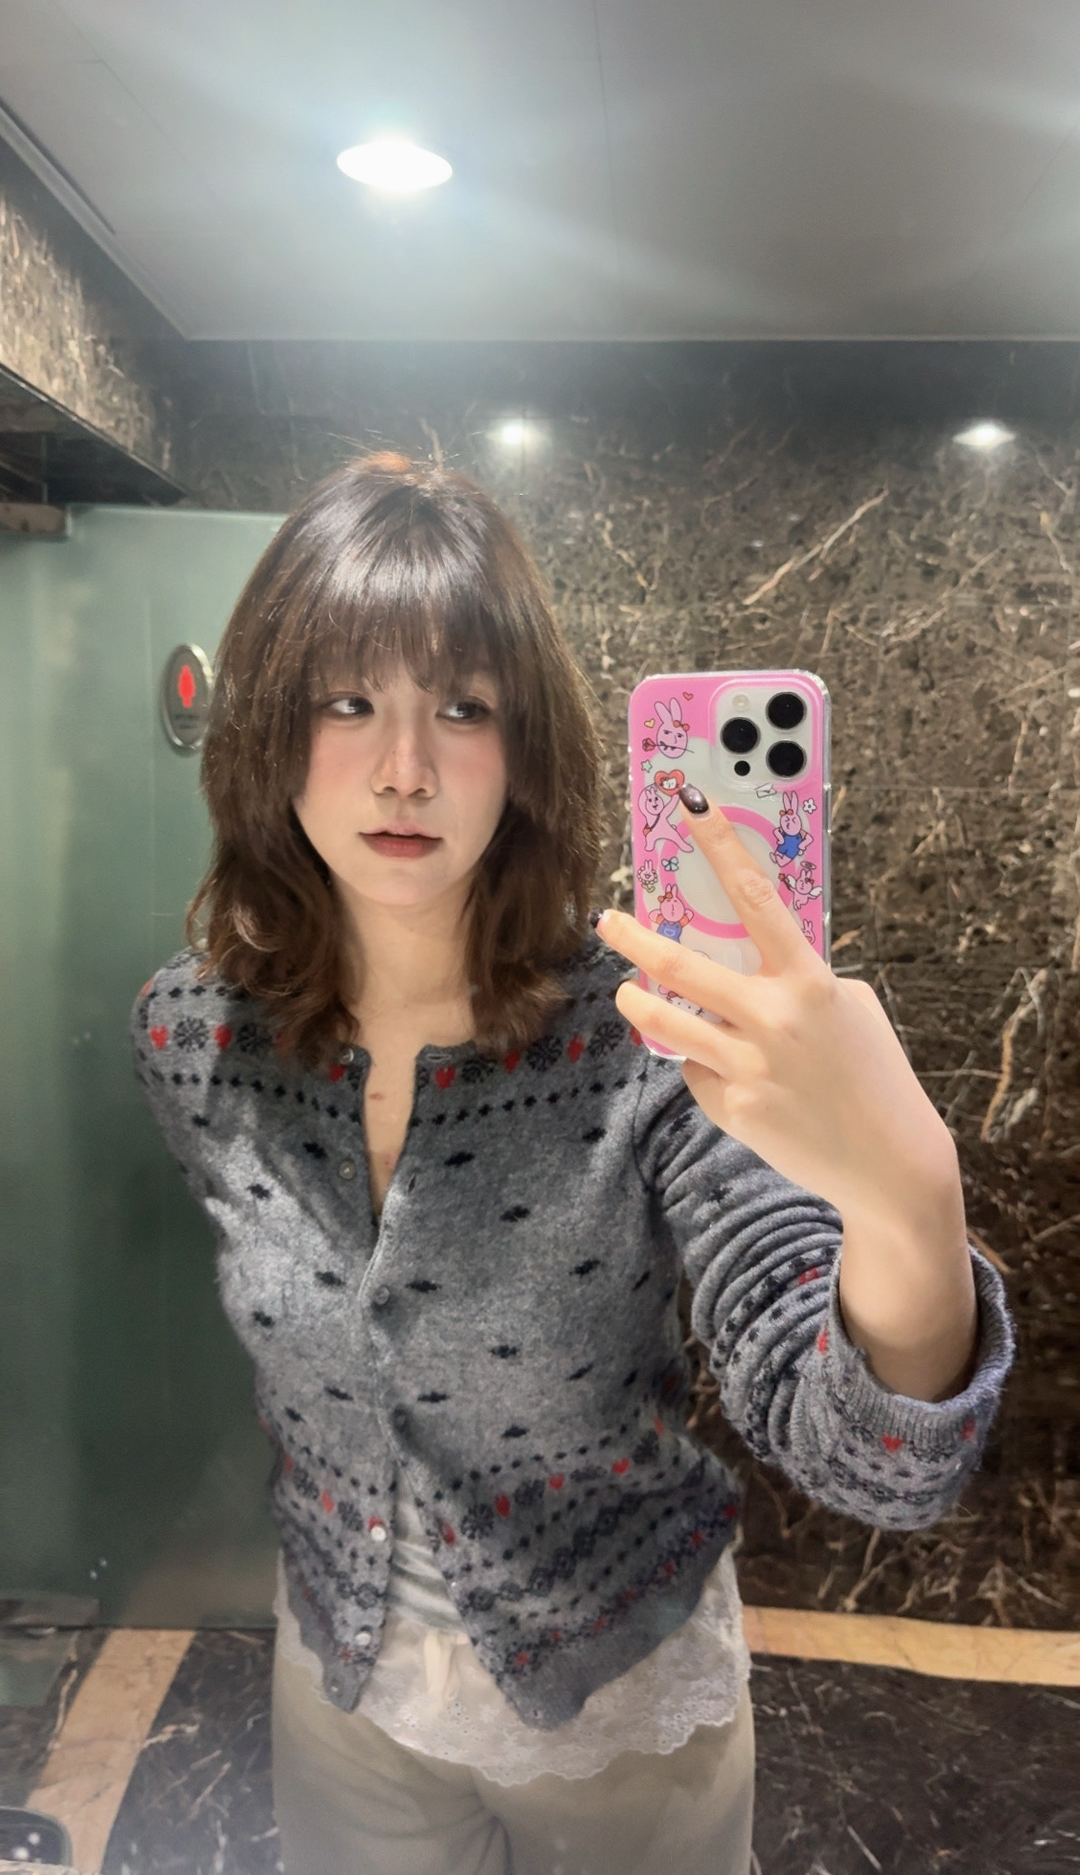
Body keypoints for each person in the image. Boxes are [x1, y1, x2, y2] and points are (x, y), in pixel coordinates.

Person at [130, 452, 1015, 1875]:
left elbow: (874, 1464)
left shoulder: (647, 1036)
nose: (404, 768)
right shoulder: (195, 1039)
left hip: (623, 1709)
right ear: (269, 732)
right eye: (347, 702)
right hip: (340, 1687)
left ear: (525, 748)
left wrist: (908, 1190)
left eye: (462, 708)